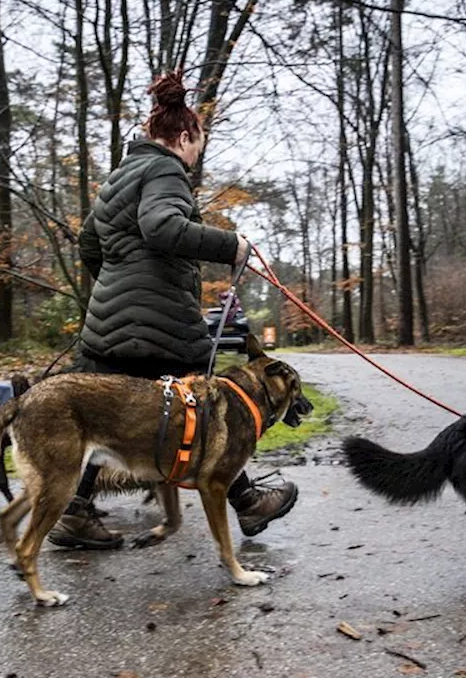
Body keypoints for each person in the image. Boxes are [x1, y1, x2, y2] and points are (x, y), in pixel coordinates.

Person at [47, 69, 299, 550]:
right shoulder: (165, 170)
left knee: (100, 418)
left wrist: (117, 288)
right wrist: (233, 245)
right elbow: (162, 227)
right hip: (161, 325)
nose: (195, 156)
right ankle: (247, 502)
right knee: (209, 408)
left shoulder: (118, 178)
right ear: (184, 137)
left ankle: (75, 513)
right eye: (197, 146)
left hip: (107, 327)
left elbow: (89, 247)